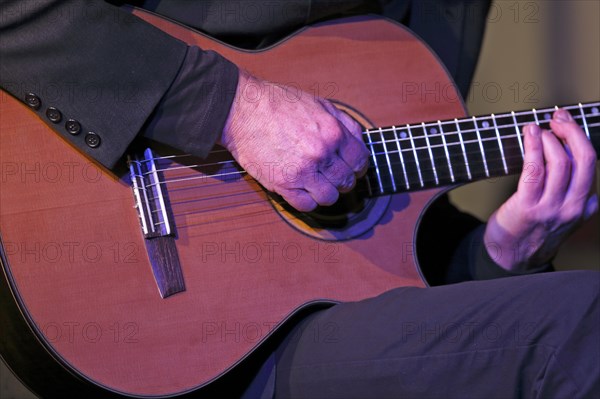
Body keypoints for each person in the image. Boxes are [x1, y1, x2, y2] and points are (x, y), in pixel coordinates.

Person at [0, 1, 598, 398]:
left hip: (323, 320)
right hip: (184, 331)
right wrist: (231, 107)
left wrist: (498, 253)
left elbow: (389, 213)